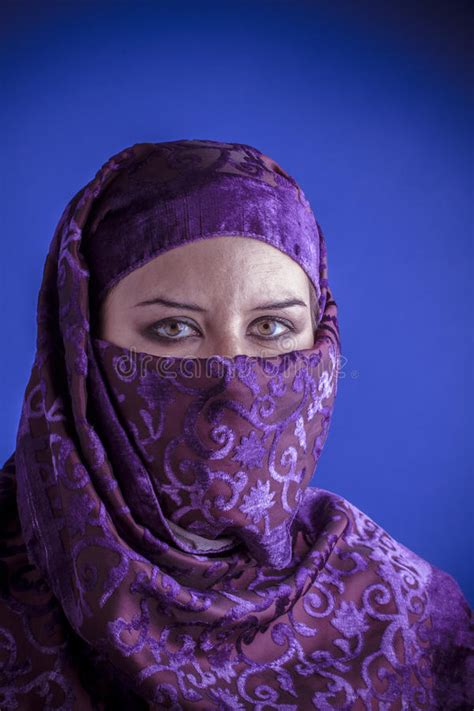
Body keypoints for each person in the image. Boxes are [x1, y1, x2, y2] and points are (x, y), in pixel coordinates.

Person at [0, 138, 472, 710]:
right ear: (79, 352)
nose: (235, 382)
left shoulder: (408, 613)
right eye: (173, 329)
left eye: (272, 328)